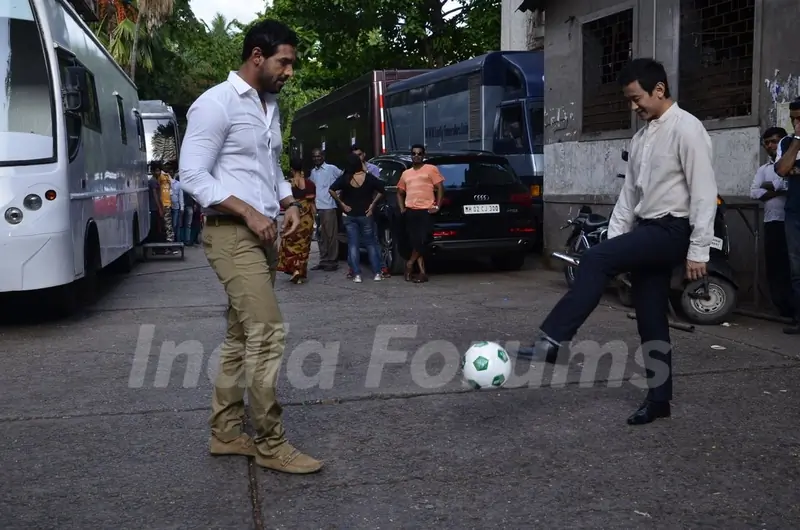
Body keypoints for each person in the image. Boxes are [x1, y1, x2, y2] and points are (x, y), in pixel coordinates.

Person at [517, 58, 718, 426]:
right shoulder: (641, 137)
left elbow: (704, 191)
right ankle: (660, 401)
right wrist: (614, 240)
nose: (633, 106)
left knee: (592, 263)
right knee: (650, 321)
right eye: (629, 99)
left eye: (637, 98)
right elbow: (629, 195)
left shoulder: (688, 129)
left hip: (672, 230)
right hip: (646, 230)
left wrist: (699, 248)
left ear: (659, 90)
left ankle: (554, 341)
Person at [179, 19, 323, 474]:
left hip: (263, 234)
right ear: (256, 57)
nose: (290, 72)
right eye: (284, 62)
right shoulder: (215, 104)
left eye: (292, 64)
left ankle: (225, 434)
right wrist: (249, 210)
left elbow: (267, 163)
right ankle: (270, 443)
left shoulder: (268, 105)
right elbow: (192, 176)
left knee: (241, 336)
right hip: (231, 233)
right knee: (266, 333)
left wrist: (286, 200)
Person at [750, 127, 794, 319]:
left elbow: (787, 187)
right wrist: (777, 190)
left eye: (775, 141)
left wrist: (771, 189)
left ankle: (794, 310)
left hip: (791, 222)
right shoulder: (764, 169)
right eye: (767, 142)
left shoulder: (792, 164)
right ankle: (782, 309)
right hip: (772, 222)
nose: (770, 146)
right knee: (775, 267)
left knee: (792, 267)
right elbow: (754, 192)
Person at [329, 152, 386, 283]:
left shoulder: (345, 178)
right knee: (370, 243)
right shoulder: (369, 178)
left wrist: (342, 204)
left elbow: (331, 189)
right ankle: (377, 272)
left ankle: (357, 274)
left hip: (349, 215)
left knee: (353, 245)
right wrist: (372, 205)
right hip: (366, 214)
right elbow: (382, 189)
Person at [396, 144, 444, 283]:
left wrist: (437, 206)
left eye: (419, 153)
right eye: (414, 153)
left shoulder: (431, 169)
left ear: (424, 155)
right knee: (415, 241)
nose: (416, 156)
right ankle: (422, 273)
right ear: (411, 155)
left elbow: (440, 187)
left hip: (426, 210)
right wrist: (402, 208)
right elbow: (399, 193)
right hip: (411, 211)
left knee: (423, 240)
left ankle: (409, 264)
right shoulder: (406, 173)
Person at [773, 97, 800, 334]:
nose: (796, 123)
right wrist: (798, 139)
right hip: (794, 212)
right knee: (796, 268)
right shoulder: (788, 142)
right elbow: (783, 169)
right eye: (793, 119)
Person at [277, 157, 317, 283]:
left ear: (291, 169)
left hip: (293, 219)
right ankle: (299, 270)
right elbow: (313, 204)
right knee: (304, 246)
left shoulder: (287, 185)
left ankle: (293, 269)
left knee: (290, 244)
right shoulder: (310, 184)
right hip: (307, 219)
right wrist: (315, 220)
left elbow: (284, 202)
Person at [308, 148, 343, 271]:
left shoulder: (331, 169)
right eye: (314, 156)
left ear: (323, 156)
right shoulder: (313, 172)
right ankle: (323, 260)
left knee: (331, 235)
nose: (316, 158)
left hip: (329, 206)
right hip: (317, 207)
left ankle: (332, 261)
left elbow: (343, 178)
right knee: (320, 235)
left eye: (318, 156)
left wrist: (338, 193)